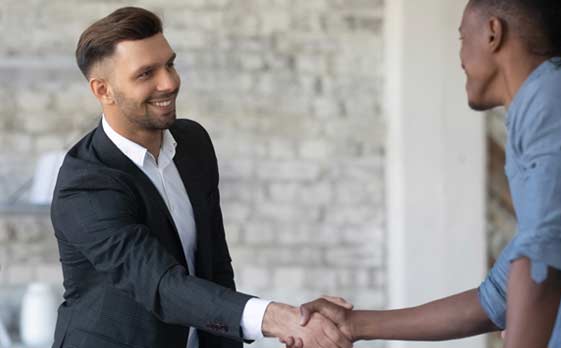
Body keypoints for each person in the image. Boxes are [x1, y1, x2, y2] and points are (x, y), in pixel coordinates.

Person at [295, 0, 561, 347]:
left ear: (492, 33)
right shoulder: (548, 106)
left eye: (461, 38)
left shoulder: (553, 97)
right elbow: (498, 296)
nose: (461, 59)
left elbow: (541, 258)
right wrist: (354, 324)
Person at [50, 6, 352, 348]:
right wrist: (277, 319)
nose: (169, 82)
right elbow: (161, 285)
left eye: (170, 64)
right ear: (103, 90)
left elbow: (215, 263)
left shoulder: (192, 142)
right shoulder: (85, 184)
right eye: (146, 73)